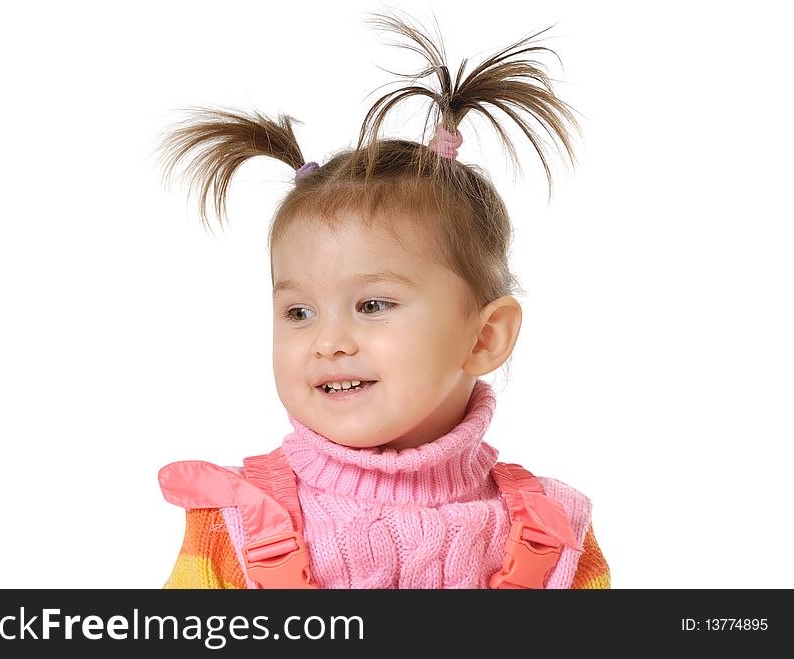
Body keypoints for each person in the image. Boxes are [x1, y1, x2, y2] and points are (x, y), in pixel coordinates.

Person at [153, 9, 610, 589]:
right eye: (299, 313)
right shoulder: (233, 527)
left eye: (372, 306)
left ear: (484, 337)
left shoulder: (555, 532)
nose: (328, 341)